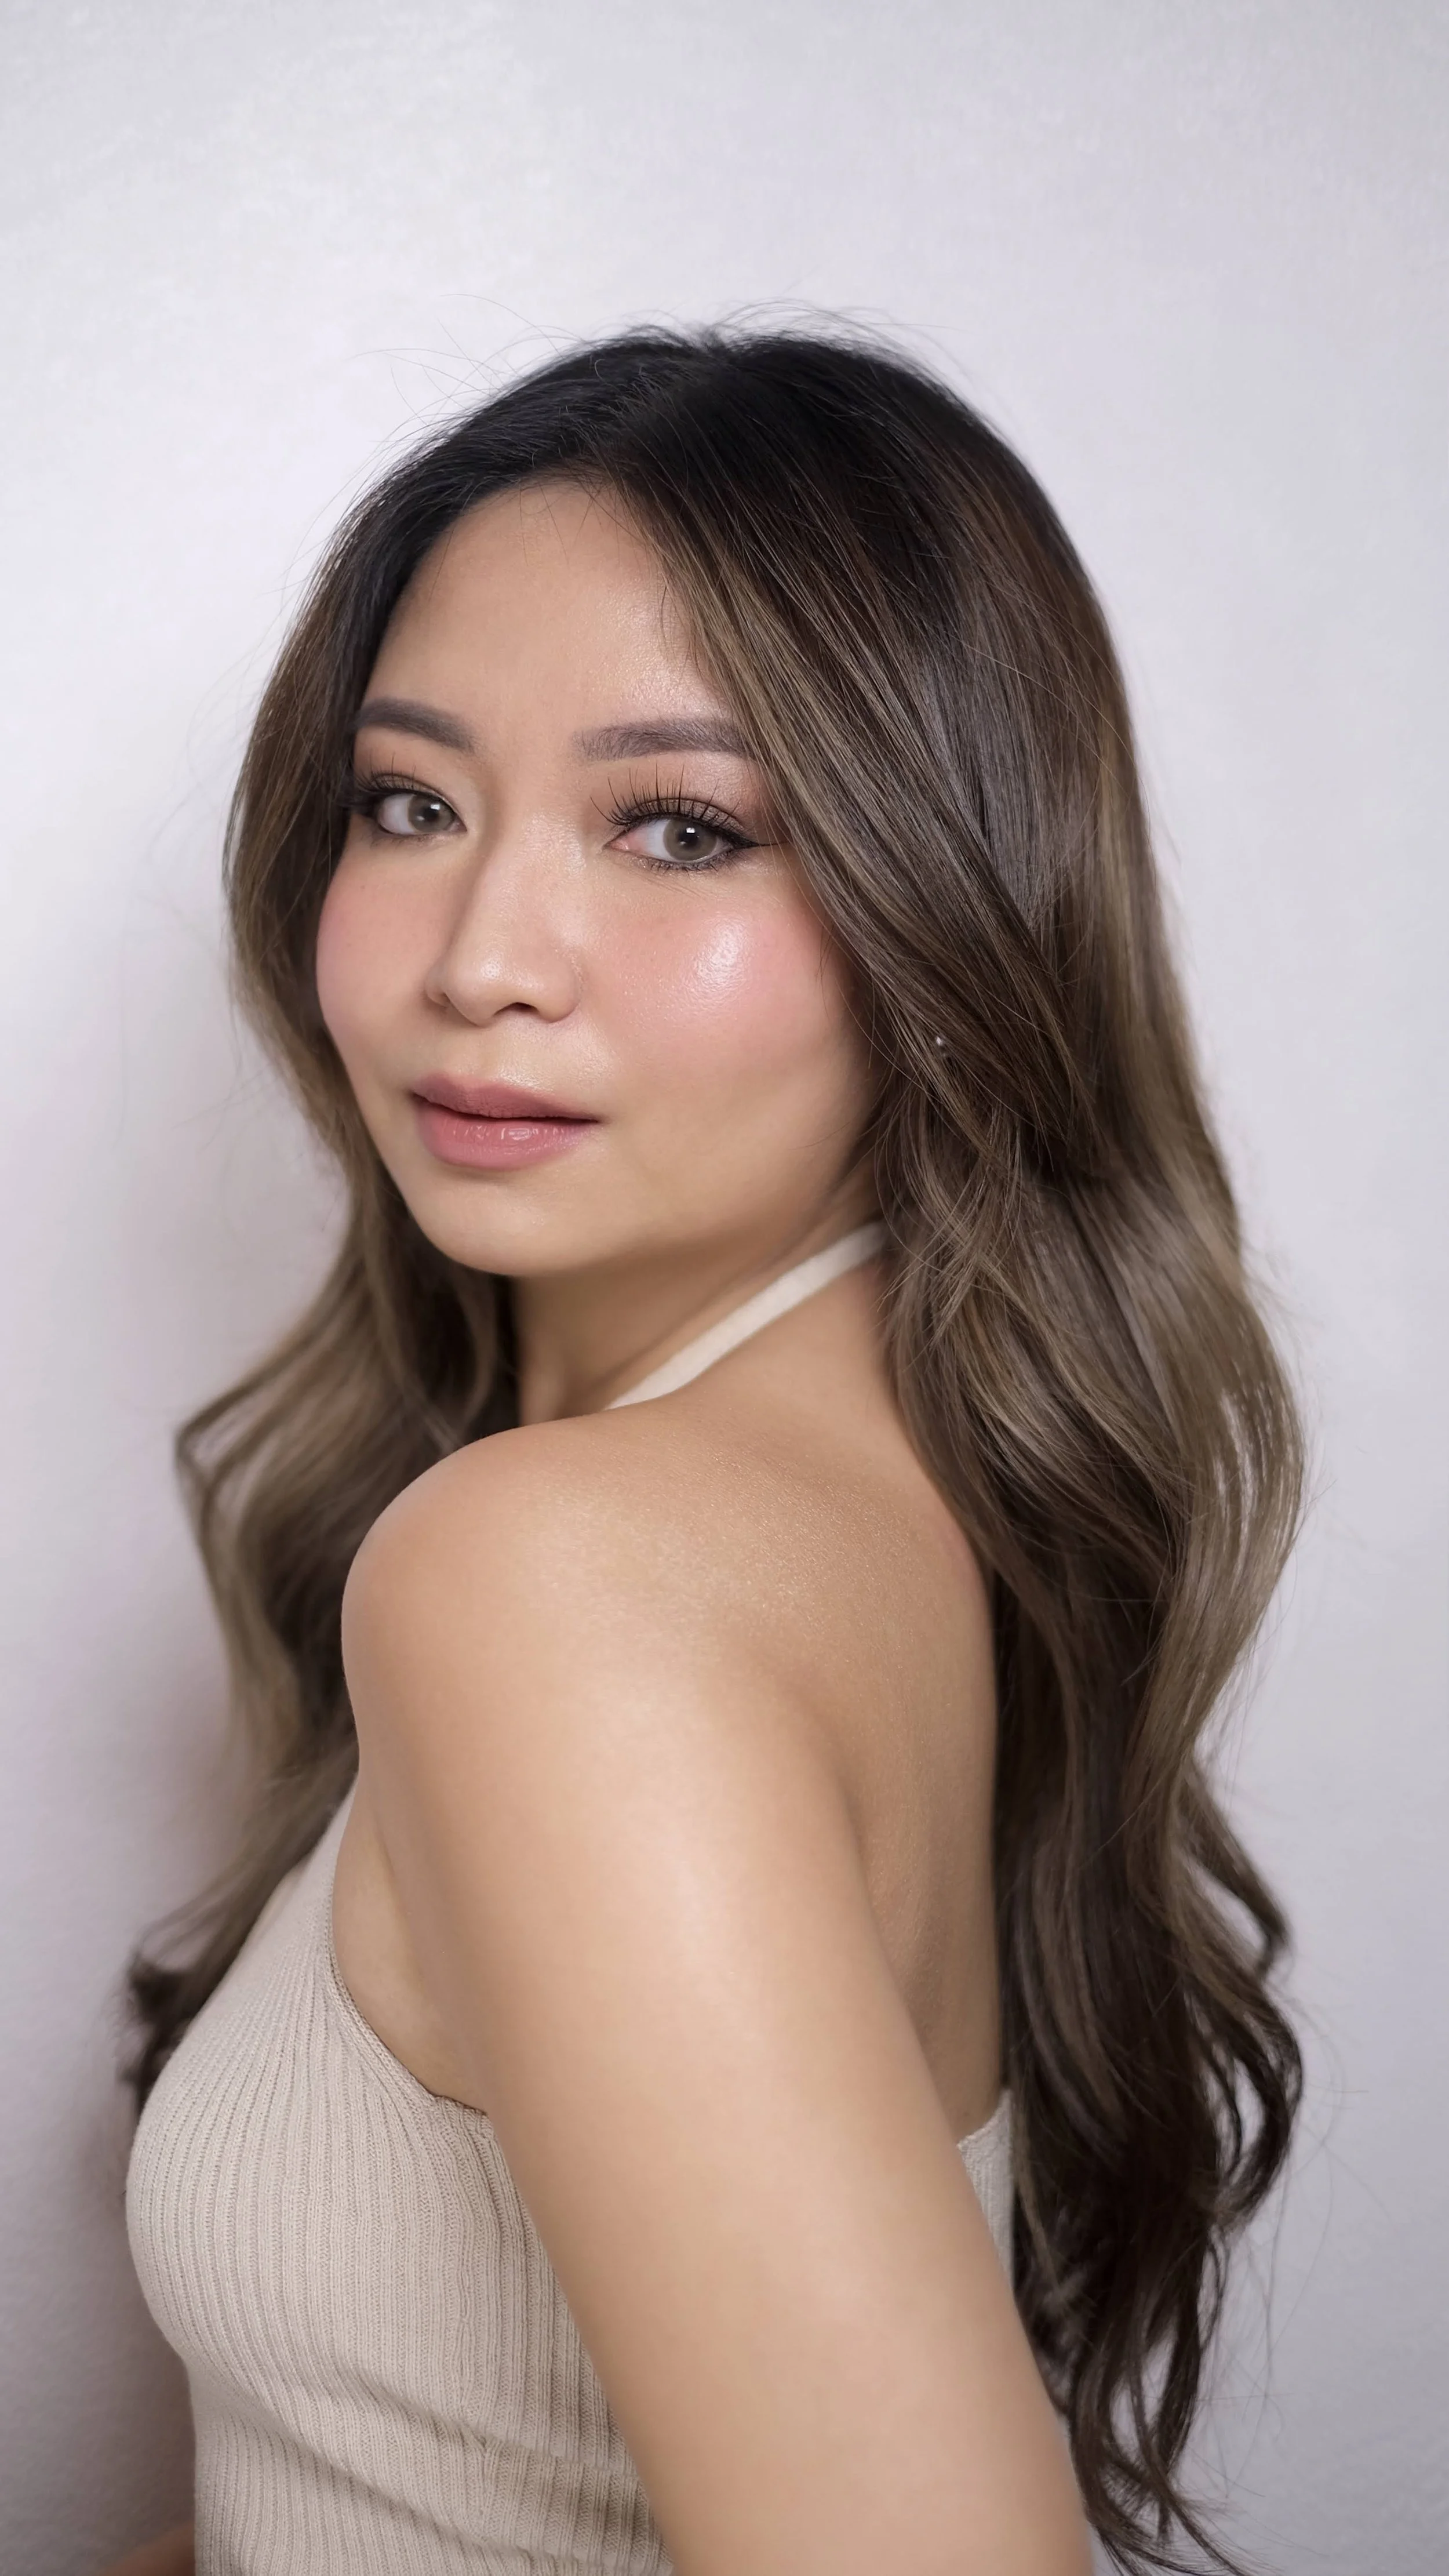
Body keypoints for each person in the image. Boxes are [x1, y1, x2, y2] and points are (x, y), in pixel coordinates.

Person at [108, 326, 1304, 2576]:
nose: (485, 956)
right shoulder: (883, 1516)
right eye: (410, 802)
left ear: (946, 908)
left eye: (679, 828)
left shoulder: (556, 1575)